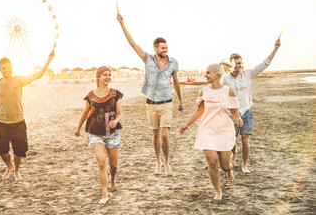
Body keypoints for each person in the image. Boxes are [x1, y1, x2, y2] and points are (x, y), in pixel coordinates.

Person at [116, 13, 183, 176]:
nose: (165, 50)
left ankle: (167, 164)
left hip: (167, 103)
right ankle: (158, 163)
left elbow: (176, 81)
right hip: (151, 104)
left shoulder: (173, 62)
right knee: (155, 135)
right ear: (155, 49)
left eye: (166, 48)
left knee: (165, 135)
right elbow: (133, 43)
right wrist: (122, 24)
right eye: (162, 48)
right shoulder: (148, 59)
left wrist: (180, 100)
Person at [0, 49, 55, 181]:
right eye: (4, 68)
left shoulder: (19, 80)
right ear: (0, 69)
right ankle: (9, 166)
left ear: (12, 68)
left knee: (19, 151)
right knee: (1, 150)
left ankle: (16, 171)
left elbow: (38, 75)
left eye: (8, 68)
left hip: (18, 123)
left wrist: (49, 59)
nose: (6, 70)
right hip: (2, 123)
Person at [179, 62, 243, 200]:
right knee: (212, 162)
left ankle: (229, 171)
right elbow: (199, 111)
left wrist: (238, 119)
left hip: (224, 130)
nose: (205, 75)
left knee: (225, 166)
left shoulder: (228, 91)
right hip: (207, 130)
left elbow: (234, 111)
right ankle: (218, 191)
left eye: (208, 73)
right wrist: (187, 124)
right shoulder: (203, 91)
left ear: (217, 75)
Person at [223, 38, 281, 173]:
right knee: (231, 141)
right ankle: (233, 155)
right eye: (236, 64)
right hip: (231, 114)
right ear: (230, 65)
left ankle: (244, 165)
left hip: (246, 112)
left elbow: (264, 64)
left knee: (245, 141)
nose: (238, 66)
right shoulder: (225, 79)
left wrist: (275, 49)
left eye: (240, 63)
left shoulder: (248, 74)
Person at [75, 66, 123, 204]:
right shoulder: (91, 95)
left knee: (113, 166)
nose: (108, 77)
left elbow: (120, 112)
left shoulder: (115, 93)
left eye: (109, 75)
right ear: (98, 77)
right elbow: (85, 112)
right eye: (105, 75)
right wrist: (78, 128)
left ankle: (112, 179)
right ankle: (105, 195)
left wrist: (116, 121)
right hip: (95, 132)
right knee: (101, 163)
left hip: (112, 133)